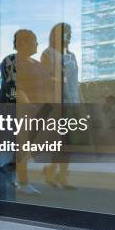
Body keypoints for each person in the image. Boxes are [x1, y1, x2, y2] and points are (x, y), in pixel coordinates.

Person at [0, 29, 51, 196]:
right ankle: (23, 181)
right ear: (22, 43)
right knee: (23, 145)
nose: (37, 44)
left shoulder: (36, 64)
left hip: (36, 109)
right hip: (19, 110)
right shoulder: (11, 60)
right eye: (34, 41)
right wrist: (26, 105)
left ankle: (9, 168)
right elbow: (13, 86)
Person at [40, 22, 79, 189]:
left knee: (68, 143)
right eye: (65, 33)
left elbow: (75, 82)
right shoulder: (48, 53)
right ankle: (59, 175)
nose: (69, 35)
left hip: (73, 103)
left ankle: (53, 171)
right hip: (57, 105)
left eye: (70, 32)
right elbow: (46, 79)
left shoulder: (72, 56)